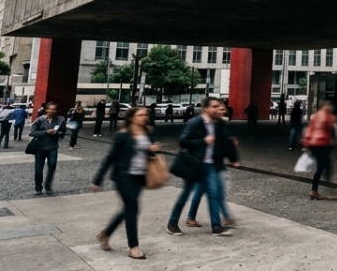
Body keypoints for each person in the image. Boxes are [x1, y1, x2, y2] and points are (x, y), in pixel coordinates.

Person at [91, 106, 160, 259]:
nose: (144, 117)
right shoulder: (122, 135)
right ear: (131, 117)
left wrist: (152, 149)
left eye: (145, 115)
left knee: (128, 209)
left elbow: (147, 152)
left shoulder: (147, 132)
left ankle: (106, 234)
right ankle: (133, 247)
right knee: (133, 208)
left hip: (140, 177)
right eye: (140, 115)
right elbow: (110, 158)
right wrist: (98, 179)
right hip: (123, 176)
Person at [171, 97, 239, 236]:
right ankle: (172, 223)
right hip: (195, 164)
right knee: (185, 195)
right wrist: (203, 141)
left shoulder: (217, 123)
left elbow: (224, 142)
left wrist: (233, 157)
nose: (217, 108)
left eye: (218, 106)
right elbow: (183, 141)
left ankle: (216, 227)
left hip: (211, 165)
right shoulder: (195, 122)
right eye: (214, 106)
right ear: (206, 109)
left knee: (214, 194)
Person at [302, 99, 337, 200]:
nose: (330, 108)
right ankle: (320, 189)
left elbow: (308, 130)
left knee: (321, 167)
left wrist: (306, 143)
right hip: (323, 144)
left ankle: (315, 190)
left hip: (314, 144)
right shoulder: (331, 117)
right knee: (325, 167)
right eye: (329, 106)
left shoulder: (314, 116)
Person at [28, 102, 66, 195]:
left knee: (52, 166)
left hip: (52, 147)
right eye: (51, 109)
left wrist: (58, 133)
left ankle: (48, 185)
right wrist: (46, 132)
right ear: (47, 110)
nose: (53, 111)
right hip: (40, 147)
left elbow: (63, 133)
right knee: (38, 169)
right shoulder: (40, 120)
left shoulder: (60, 119)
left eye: (54, 109)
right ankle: (38, 186)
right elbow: (32, 132)